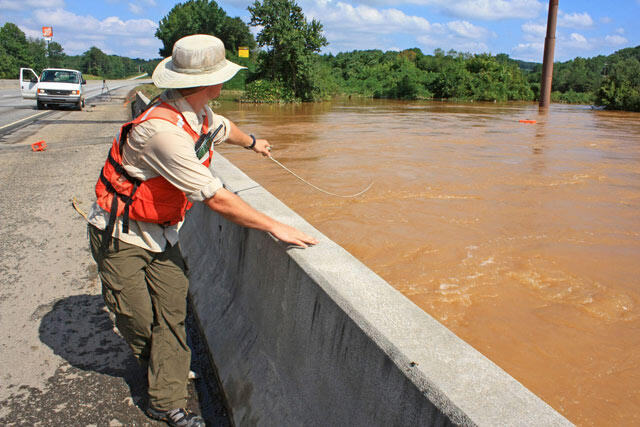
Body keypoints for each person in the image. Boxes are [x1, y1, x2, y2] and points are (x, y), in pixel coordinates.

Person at [87, 34, 317, 427]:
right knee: (138, 320)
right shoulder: (163, 133)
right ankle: (163, 368)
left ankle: (166, 401)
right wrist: (276, 226)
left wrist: (255, 143)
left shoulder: (200, 114)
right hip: (121, 235)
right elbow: (216, 198)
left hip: (164, 233)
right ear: (213, 82)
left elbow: (226, 129)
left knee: (172, 313)